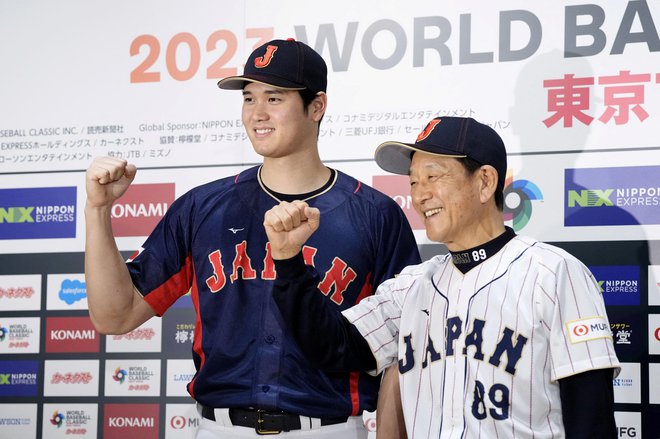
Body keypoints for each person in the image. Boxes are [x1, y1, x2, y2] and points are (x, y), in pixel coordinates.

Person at [84, 38, 420, 439]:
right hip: (217, 427)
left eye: (274, 98)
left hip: (327, 429)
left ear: (316, 107)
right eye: (248, 98)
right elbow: (115, 315)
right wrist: (98, 211)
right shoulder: (201, 207)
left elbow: (403, 349)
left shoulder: (375, 215)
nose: (257, 113)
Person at [264, 116, 621, 438]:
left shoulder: (554, 273)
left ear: (484, 182)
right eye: (414, 181)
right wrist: (288, 260)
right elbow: (330, 345)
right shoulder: (413, 285)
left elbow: (591, 416)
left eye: (433, 177)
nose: (419, 194)